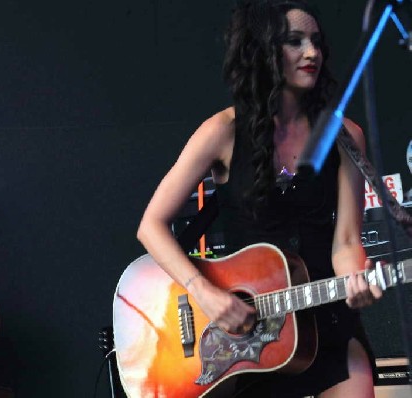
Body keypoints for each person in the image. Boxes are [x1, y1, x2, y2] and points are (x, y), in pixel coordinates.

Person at [136, 1, 383, 397]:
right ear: (263, 50)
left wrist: (357, 279)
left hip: (326, 317)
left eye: (317, 42)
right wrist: (205, 293)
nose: (311, 53)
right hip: (251, 336)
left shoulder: (343, 135)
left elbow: (348, 242)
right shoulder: (223, 131)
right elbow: (150, 226)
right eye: (294, 42)